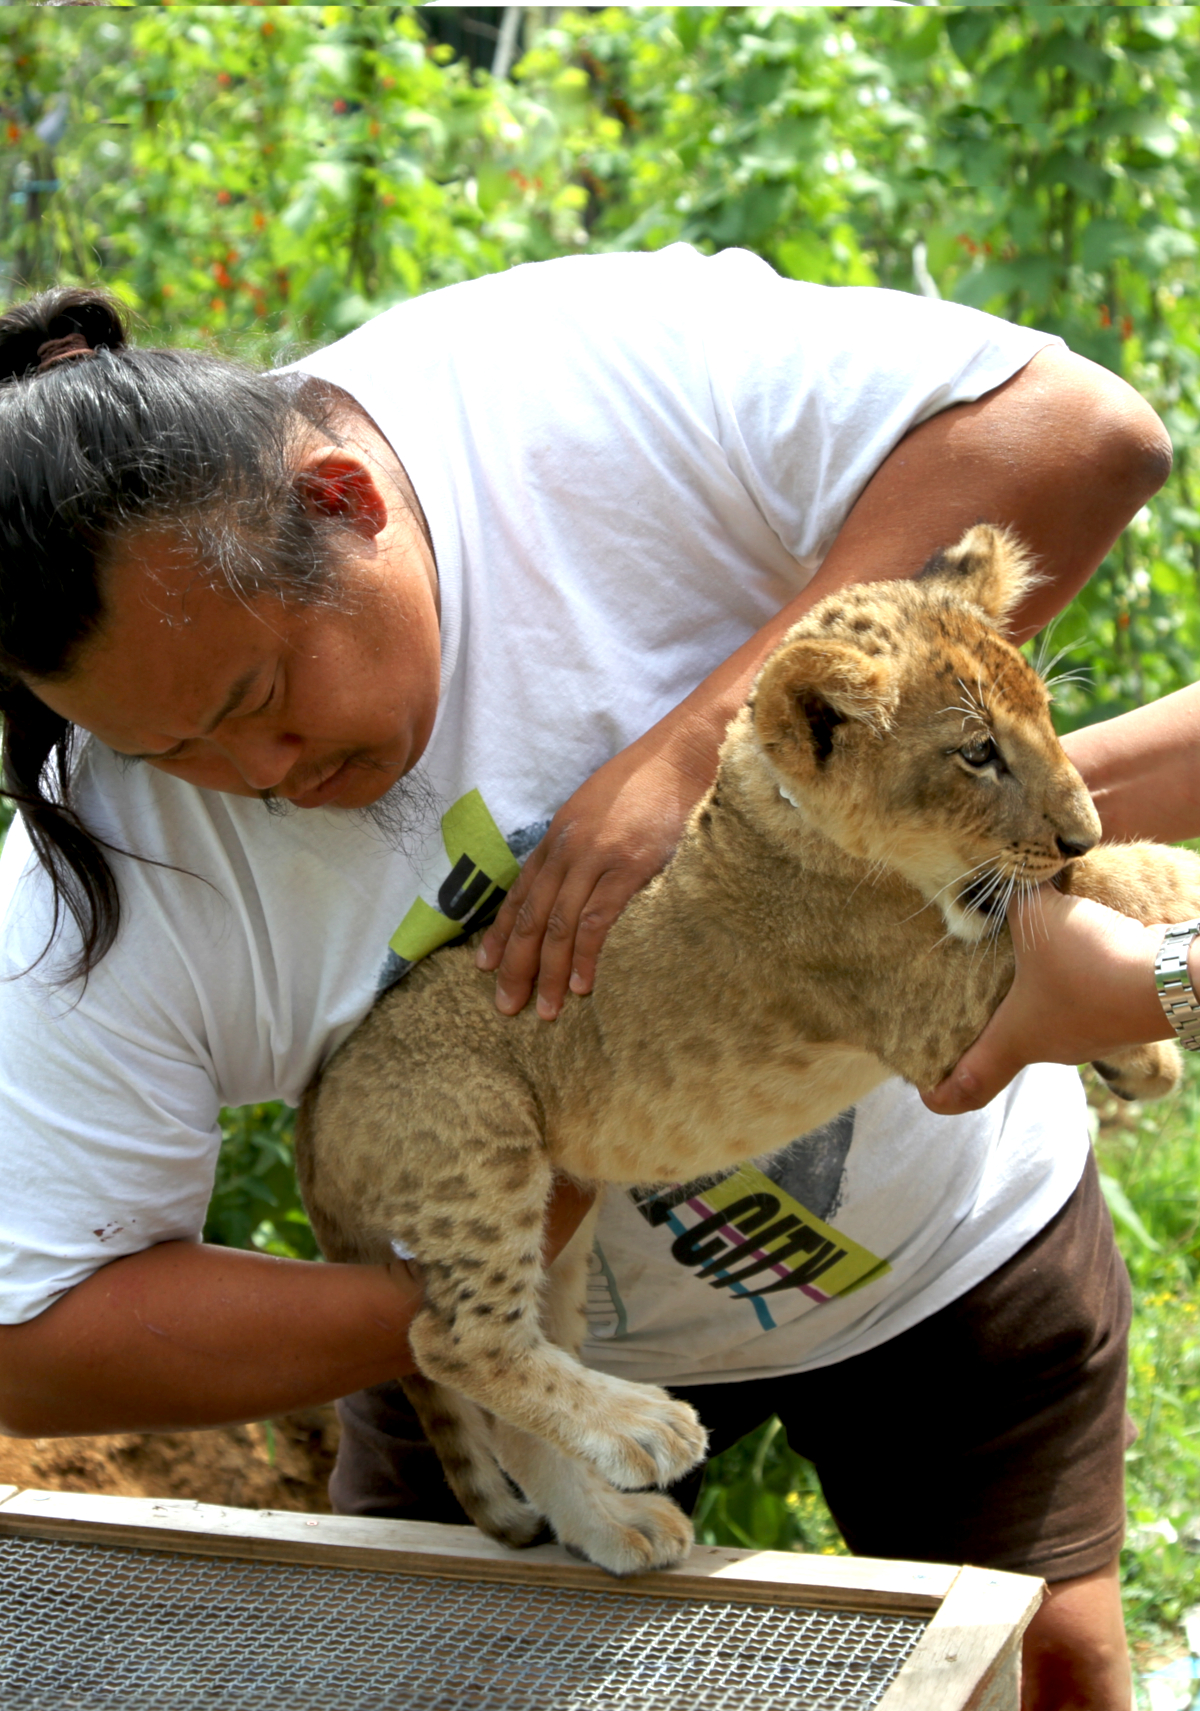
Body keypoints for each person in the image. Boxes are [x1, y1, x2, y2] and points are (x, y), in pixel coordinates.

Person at [0, 247, 1170, 1711]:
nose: (259, 782)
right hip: (523, 1357)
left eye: (258, 702)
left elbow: (1082, 435)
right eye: (173, 752)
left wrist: (696, 756)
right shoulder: (91, 870)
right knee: (415, 1686)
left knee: (1052, 1665)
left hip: (943, 1246)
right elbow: (28, 1339)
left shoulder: (574, 385)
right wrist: (455, 1306)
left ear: (342, 499)